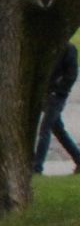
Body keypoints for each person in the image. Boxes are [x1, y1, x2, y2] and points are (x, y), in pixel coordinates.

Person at [34, 41, 79, 174]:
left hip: (57, 96)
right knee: (58, 130)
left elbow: (71, 75)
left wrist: (58, 90)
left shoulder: (69, 49)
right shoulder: (50, 48)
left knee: (45, 129)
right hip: (47, 94)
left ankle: (37, 166)